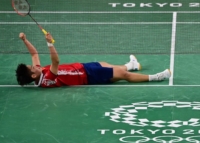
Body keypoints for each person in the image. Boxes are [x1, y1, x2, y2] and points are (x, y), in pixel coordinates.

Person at [15, 32, 171, 88]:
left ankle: (131, 65)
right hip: (87, 76)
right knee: (123, 76)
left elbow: (35, 55)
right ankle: (156, 77)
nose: (34, 66)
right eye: (32, 68)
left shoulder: (38, 74)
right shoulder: (47, 78)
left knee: (105, 64)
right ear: (33, 75)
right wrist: (49, 42)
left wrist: (24, 40)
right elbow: (55, 62)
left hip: (82, 68)